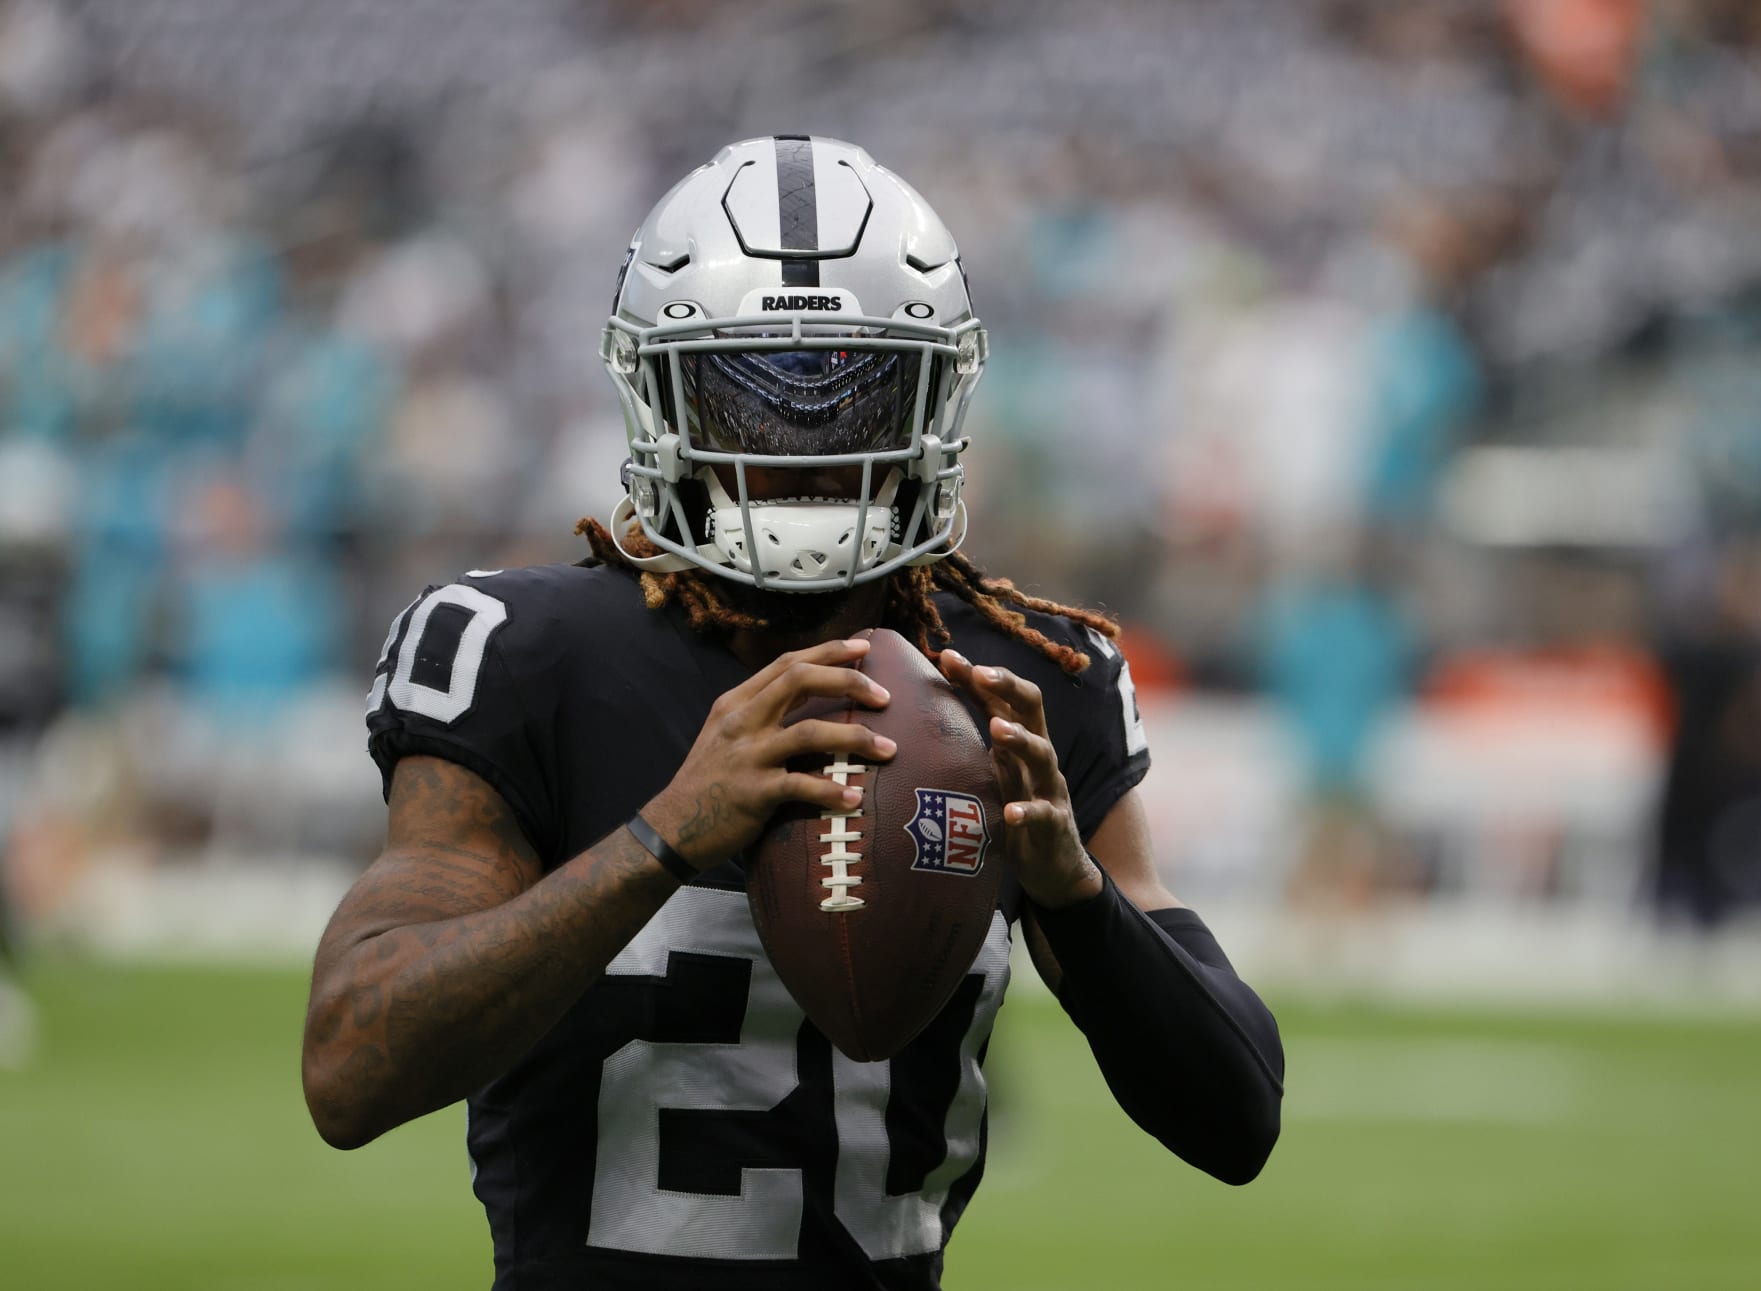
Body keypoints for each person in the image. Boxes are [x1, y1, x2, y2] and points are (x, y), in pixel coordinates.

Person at [302, 136, 1283, 1290]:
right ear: (658, 391)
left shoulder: (1026, 678)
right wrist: (661, 840)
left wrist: (1078, 897)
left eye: (855, 385)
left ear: (938, 394)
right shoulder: (526, 653)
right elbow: (352, 1069)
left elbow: (1239, 1122)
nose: (809, 441)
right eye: (753, 389)